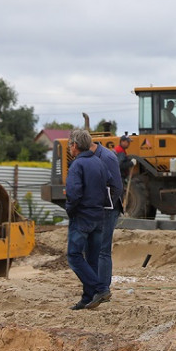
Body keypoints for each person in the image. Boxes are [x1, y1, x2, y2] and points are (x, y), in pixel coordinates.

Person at [64, 129, 110, 310]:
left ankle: (100, 288)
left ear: (75, 146)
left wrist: (70, 210)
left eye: (70, 145)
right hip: (98, 216)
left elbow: (74, 193)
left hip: (82, 217)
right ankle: (87, 298)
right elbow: (110, 182)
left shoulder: (77, 165)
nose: (69, 148)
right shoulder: (99, 162)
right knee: (92, 259)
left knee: (74, 256)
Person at [89, 137, 124, 305]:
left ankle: (102, 289)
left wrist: (103, 206)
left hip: (107, 209)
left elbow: (117, 188)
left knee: (102, 249)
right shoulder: (91, 157)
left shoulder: (108, 157)